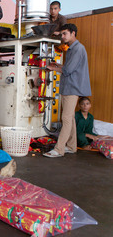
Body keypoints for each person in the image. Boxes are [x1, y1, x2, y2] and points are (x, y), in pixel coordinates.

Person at [44, 23, 91, 158]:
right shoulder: (71, 49)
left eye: (65, 34)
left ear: (73, 33)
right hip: (68, 87)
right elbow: (69, 68)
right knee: (70, 118)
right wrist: (58, 65)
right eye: (62, 34)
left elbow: (68, 70)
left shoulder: (77, 49)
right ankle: (71, 146)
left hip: (72, 87)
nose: (63, 36)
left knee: (66, 118)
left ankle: (59, 149)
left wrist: (53, 68)